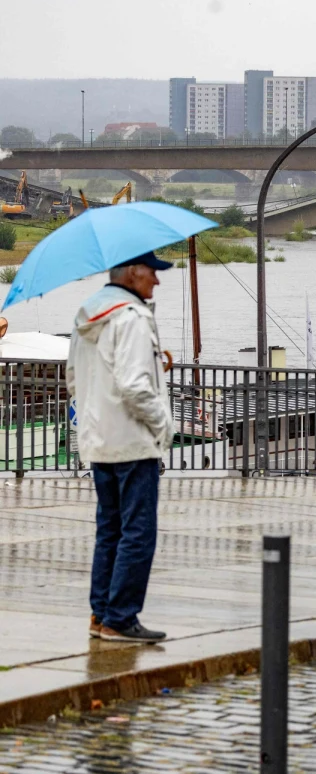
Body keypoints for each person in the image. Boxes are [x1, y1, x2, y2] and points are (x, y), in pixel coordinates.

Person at [67, 252, 174, 643]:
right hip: (132, 441)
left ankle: (101, 615)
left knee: (109, 529)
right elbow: (132, 386)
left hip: (98, 440)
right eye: (152, 273)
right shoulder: (130, 317)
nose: (156, 282)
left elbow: (74, 379)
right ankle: (121, 617)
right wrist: (163, 425)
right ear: (132, 274)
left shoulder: (87, 315)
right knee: (138, 532)